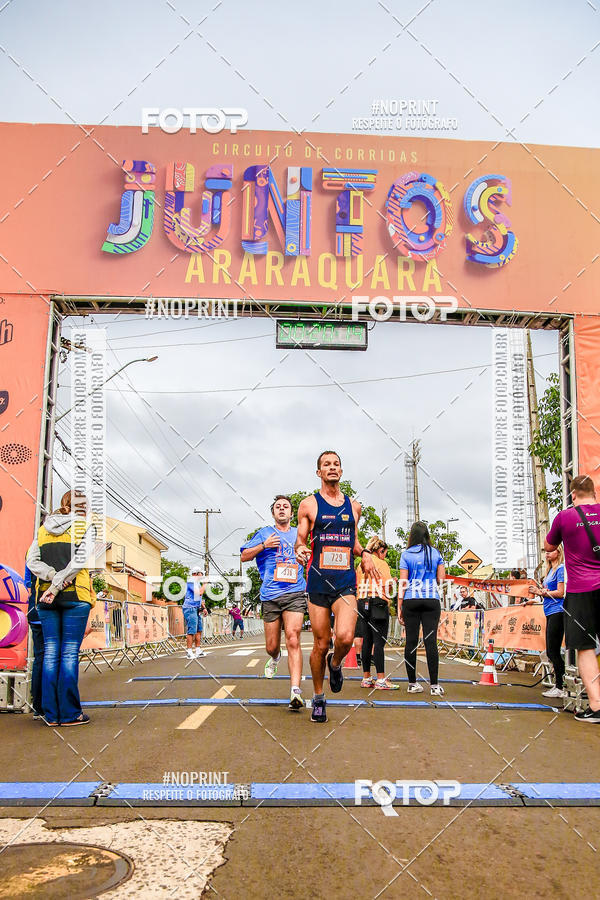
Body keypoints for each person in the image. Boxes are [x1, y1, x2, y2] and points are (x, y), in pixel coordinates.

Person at [295, 450, 378, 723]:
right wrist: (301, 550)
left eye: (336, 464)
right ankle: (319, 698)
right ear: (318, 472)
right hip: (318, 582)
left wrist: (364, 553)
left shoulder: (354, 507)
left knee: (343, 638)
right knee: (321, 642)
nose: (332, 468)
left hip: (344, 582)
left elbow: (352, 541)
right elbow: (301, 541)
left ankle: (336, 663)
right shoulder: (308, 505)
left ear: (341, 471)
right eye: (326, 465)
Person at [26, 490, 96, 726]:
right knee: (68, 654)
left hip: (45, 598)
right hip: (75, 595)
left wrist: (51, 578)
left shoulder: (43, 529)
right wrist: (59, 583)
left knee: (50, 654)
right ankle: (69, 714)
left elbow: (32, 561)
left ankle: (50, 714)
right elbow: (79, 562)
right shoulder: (84, 527)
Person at [240, 495, 308, 710]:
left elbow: (312, 554)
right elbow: (244, 556)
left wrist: (304, 557)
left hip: (295, 592)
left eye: (285, 507)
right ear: (273, 513)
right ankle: (275, 658)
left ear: (291, 512)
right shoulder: (264, 533)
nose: (282, 509)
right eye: (278, 507)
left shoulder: (300, 533)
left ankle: (295, 691)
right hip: (270, 595)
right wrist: (264, 545)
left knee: (293, 638)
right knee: (271, 646)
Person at [545, 474, 600, 722]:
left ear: (573, 494)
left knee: (585, 648)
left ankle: (597, 707)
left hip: (580, 591)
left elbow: (549, 546)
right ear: (595, 493)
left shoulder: (565, 517)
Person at [398, 521, 445, 695]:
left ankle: (412, 684)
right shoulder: (436, 553)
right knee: (430, 641)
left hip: (411, 599)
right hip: (431, 599)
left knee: (411, 641)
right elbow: (441, 579)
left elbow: (403, 582)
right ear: (427, 535)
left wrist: (400, 605)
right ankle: (434, 686)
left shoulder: (406, 554)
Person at [357, 536, 399, 690]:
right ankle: (381, 679)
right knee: (379, 643)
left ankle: (366, 678)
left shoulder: (361, 565)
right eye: (385, 553)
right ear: (380, 551)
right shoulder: (382, 564)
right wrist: (393, 583)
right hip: (378, 603)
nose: (385, 556)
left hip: (362, 601)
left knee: (366, 641)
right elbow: (388, 587)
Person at [528, 547, 565, 698]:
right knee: (551, 650)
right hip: (549, 611)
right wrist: (537, 597)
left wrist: (541, 592)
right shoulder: (550, 571)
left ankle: (561, 686)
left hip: (558, 611)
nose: (547, 553)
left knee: (553, 650)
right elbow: (548, 592)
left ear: (559, 552)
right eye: (545, 551)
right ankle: (560, 684)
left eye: (551, 550)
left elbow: (561, 592)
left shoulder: (561, 569)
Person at [23, 564, 44, 719]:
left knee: (39, 658)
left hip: (34, 610)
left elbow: (27, 583)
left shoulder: (30, 552)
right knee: (56, 657)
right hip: (51, 610)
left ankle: (38, 706)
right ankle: (53, 704)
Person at [182, 567, 208, 659]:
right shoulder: (191, 581)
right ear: (196, 574)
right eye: (201, 573)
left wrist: (204, 608)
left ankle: (198, 650)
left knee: (198, 630)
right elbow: (199, 593)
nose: (202, 575)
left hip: (196, 608)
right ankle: (189, 652)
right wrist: (205, 584)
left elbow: (198, 598)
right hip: (190, 608)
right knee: (192, 630)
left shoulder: (196, 583)